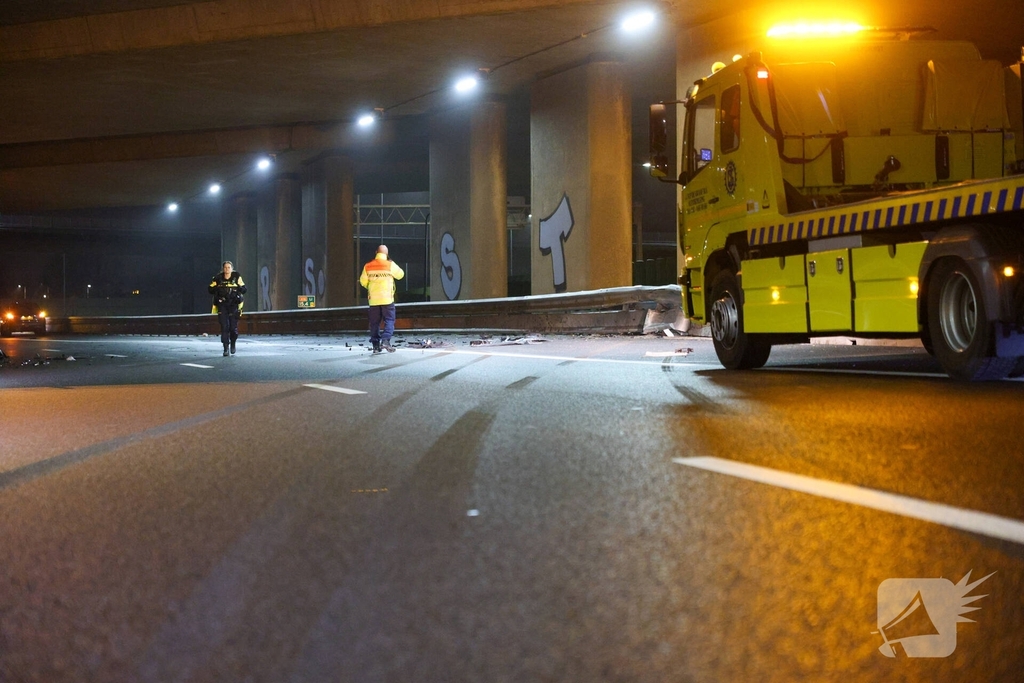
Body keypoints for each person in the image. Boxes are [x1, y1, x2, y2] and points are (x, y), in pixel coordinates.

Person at [359, 244, 405, 353]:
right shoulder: (390, 265)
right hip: (387, 299)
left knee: (374, 323)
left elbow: (363, 282)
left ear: (376, 253)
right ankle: (385, 340)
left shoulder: (368, 266)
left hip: (373, 300)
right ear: (386, 254)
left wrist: (371, 287)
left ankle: (375, 346)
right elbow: (401, 275)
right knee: (389, 320)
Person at [209, 261, 246, 356]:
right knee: (224, 326)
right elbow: (210, 289)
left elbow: (244, 288)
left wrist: (238, 289)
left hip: (233, 305)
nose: (227, 269)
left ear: (232, 269)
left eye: (229, 267)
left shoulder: (236, 276)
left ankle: (233, 342)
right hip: (222, 305)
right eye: (225, 267)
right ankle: (226, 348)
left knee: (233, 328)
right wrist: (217, 288)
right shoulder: (218, 278)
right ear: (223, 268)